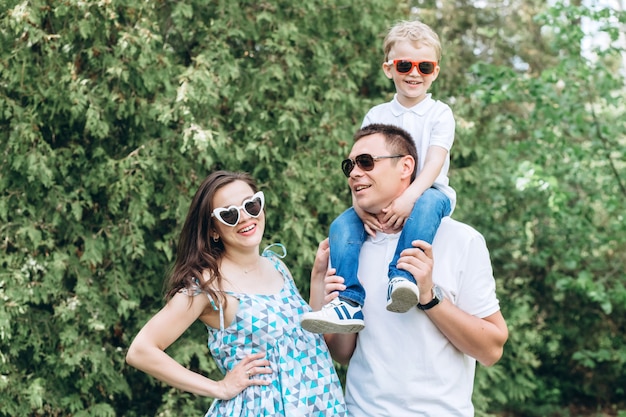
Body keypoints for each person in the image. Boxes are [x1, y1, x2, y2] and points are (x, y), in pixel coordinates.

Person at [308, 124, 508, 416]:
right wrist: (321, 286)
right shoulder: (349, 247)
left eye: (366, 162)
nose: (353, 173)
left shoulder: (461, 240)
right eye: (349, 165)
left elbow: (491, 350)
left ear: (406, 166)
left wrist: (429, 297)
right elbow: (343, 354)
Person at [125, 171, 347, 416]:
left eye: (251, 205)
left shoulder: (276, 266)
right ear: (213, 230)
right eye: (229, 214)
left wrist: (317, 278)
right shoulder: (208, 285)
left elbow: (309, 340)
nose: (244, 218)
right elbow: (141, 350)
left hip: (322, 404)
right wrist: (219, 388)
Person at [301, 20, 456, 333]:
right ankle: (347, 302)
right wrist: (359, 207)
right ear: (389, 69)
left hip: (429, 191)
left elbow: (435, 162)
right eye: (404, 65)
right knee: (341, 225)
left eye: (424, 66)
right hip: (381, 196)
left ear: (435, 72)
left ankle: (403, 278)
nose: (414, 73)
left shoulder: (440, 113)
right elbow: (360, 165)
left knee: (427, 204)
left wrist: (410, 196)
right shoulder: (377, 114)